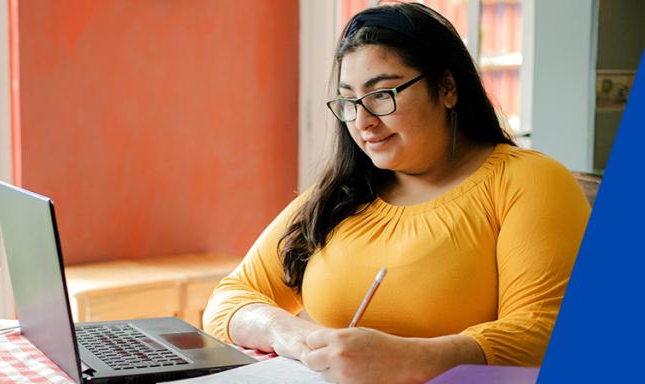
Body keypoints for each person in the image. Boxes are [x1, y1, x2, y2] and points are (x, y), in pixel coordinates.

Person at [202, 3, 590, 383]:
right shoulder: (338, 195)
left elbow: (544, 334)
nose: (364, 121)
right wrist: (292, 336)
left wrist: (411, 359)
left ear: (448, 88)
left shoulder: (529, 181)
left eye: (382, 94)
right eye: (350, 101)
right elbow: (230, 299)